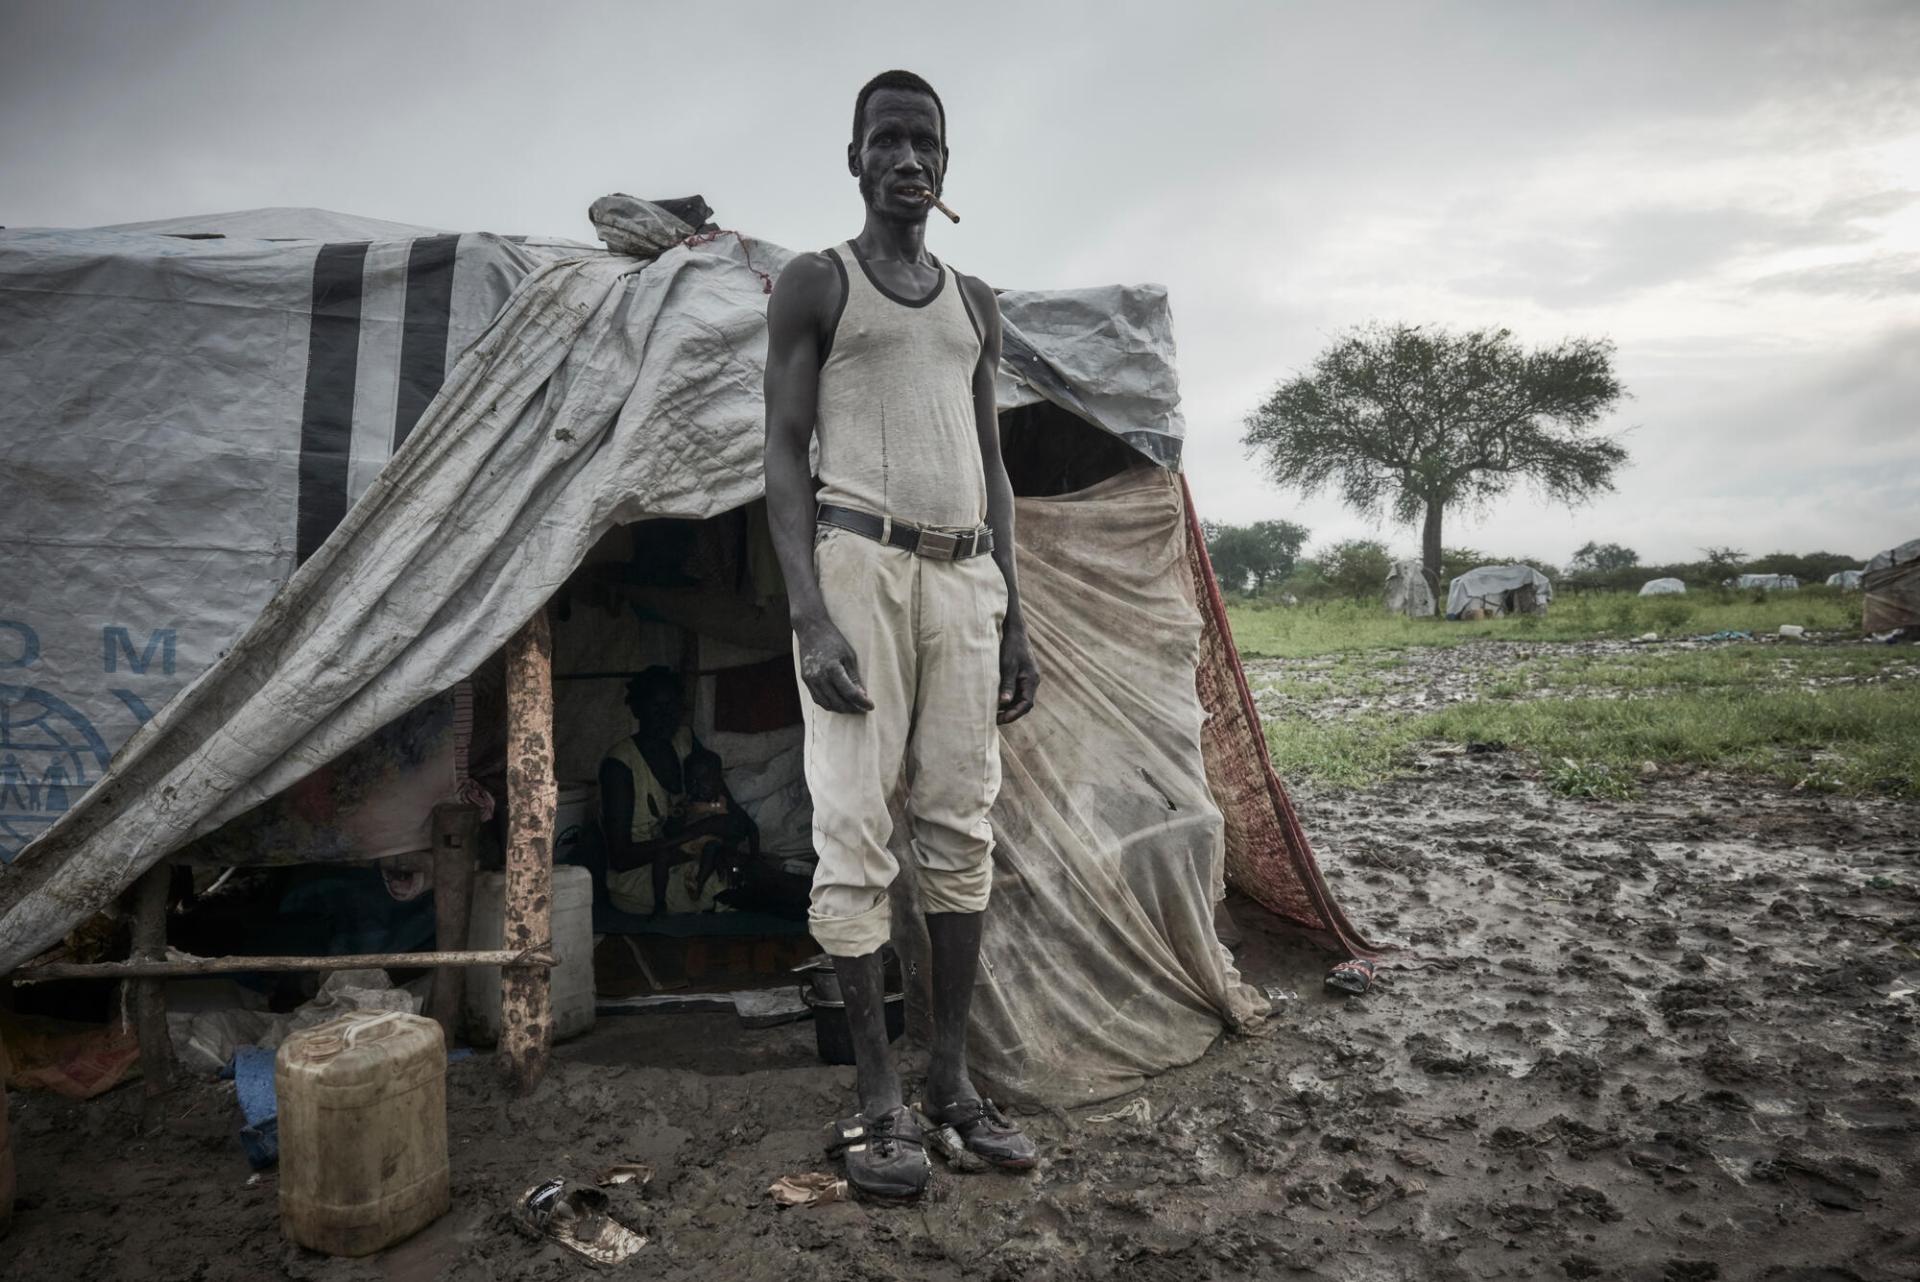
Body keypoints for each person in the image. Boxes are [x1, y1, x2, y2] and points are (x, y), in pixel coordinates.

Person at [762, 68, 1041, 1202]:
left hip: (965, 573)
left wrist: (1015, 611)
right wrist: (808, 610)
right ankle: (876, 1098)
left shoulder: (975, 301)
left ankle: (950, 1083)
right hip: (858, 564)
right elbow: (781, 454)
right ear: (856, 158)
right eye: (888, 139)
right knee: (854, 828)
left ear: (945, 166)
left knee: (959, 824)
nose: (909, 158)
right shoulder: (815, 284)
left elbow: (998, 470)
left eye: (926, 141)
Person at [599, 668, 751, 917]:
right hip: (640, 875)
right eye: (655, 707)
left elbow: (726, 807)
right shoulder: (620, 766)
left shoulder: (684, 740)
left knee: (745, 869)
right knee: (738, 884)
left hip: (687, 855)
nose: (665, 716)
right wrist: (701, 831)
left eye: (672, 707)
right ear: (637, 709)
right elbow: (621, 859)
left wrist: (727, 843)